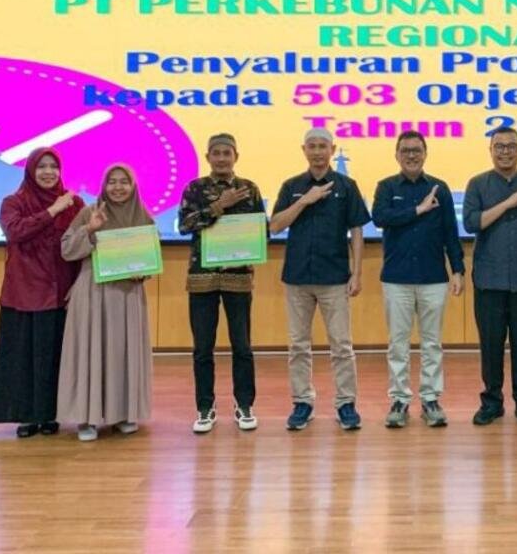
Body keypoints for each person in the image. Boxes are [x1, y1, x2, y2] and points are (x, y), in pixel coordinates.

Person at [270, 127, 371, 431]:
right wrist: (304, 201)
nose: (317, 152)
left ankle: (346, 404)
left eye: (322, 146)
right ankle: (302, 402)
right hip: (297, 277)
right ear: (304, 150)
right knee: (298, 345)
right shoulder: (292, 186)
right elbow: (275, 225)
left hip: (335, 277)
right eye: (311, 146)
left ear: (332, 150)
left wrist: (357, 273)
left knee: (341, 345)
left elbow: (357, 230)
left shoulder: (346, 185)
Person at [371, 130, 465, 428]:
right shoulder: (386, 187)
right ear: (396, 155)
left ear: (425, 154)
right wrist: (418, 210)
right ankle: (399, 400)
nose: (411, 155)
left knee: (432, 343)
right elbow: (380, 218)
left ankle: (430, 399)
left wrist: (458, 270)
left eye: (416, 150)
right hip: (396, 278)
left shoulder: (440, 189)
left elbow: (450, 232)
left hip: (433, 277)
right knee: (398, 344)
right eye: (405, 150)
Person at [0, 147, 84, 438]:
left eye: (53, 166)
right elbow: (16, 231)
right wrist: (52, 210)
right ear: (30, 170)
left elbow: (81, 246)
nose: (48, 172)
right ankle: (26, 417)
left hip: (61, 294)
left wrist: (78, 284)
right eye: (41, 166)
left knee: (54, 358)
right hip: (24, 294)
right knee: (24, 359)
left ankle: (50, 415)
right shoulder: (13, 202)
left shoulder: (75, 203)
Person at [57, 163, 156, 441]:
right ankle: (86, 418)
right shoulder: (90, 212)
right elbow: (67, 249)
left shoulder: (143, 216)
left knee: (123, 353)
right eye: (112, 181)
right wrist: (90, 228)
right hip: (93, 293)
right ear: (103, 185)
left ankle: (123, 413)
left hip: (127, 296)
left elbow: (151, 258)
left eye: (124, 181)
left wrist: (143, 271)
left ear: (133, 185)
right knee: (91, 352)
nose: (118, 187)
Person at [462, 128, 517, 428]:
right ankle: (491, 403)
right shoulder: (478, 184)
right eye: (499, 146)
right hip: (489, 280)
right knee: (491, 345)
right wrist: (508, 203)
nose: (505, 151)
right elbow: (472, 223)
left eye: (511, 146)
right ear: (490, 150)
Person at [177, 133, 264, 434]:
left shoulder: (250, 188)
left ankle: (244, 405)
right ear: (208, 157)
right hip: (202, 277)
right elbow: (184, 224)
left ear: (236, 156)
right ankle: (205, 408)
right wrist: (218, 207)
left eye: (227, 153)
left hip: (238, 277)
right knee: (203, 348)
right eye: (217, 153)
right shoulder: (194, 188)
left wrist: (250, 252)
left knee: (243, 346)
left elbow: (260, 230)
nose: (222, 158)